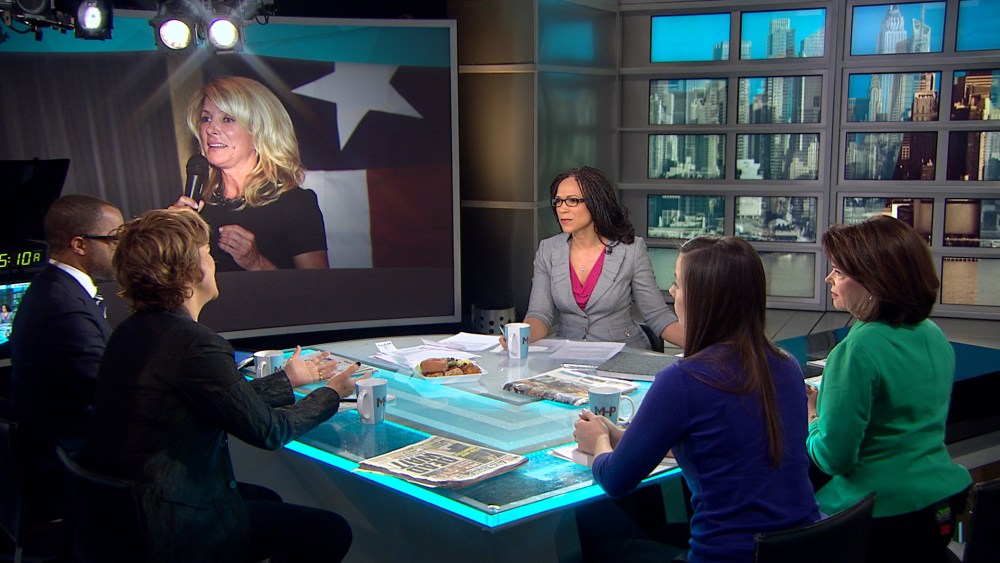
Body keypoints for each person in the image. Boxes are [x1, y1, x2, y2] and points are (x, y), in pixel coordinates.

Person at [80, 209, 362, 561]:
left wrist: (288, 380)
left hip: (123, 512)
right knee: (329, 531)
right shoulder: (193, 342)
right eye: (207, 253)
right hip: (168, 522)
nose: (213, 263)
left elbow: (215, 398)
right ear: (188, 271)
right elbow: (270, 431)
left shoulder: (134, 329)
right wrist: (331, 394)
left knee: (268, 500)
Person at [574, 236, 819, 562]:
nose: (672, 291)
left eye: (678, 283)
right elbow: (727, 443)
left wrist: (598, 441)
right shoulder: (786, 365)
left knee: (594, 526)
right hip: (803, 549)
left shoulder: (683, 380)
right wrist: (621, 436)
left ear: (703, 299)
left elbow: (614, 479)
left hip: (728, 555)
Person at [805, 216, 971, 563]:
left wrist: (813, 417)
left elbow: (833, 457)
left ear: (874, 281)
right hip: (939, 505)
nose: (828, 279)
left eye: (839, 271)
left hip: (878, 520)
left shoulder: (856, 350)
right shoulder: (933, 334)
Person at [9, 194, 124, 523]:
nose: (122, 248)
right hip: (71, 471)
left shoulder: (55, 289)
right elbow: (106, 393)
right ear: (80, 245)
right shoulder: (63, 306)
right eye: (114, 239)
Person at [171, 75, 329, 272]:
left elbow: (318, 288)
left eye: (228, 119)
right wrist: (168, 237)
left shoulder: (295, 203)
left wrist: (256, 263)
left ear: (259, 131)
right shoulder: (197, 207)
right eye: (206, 119)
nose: (211, 129)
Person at [518, 166, 682, 350]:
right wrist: (520, 338)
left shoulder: (631, 250)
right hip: (567, 355)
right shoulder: (548, 250)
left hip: (624, 352)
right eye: (558, 201)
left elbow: (657, 316)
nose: (562, 209)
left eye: (572, 200)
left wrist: (703, 346)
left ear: (596, 203)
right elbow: (539, 315)